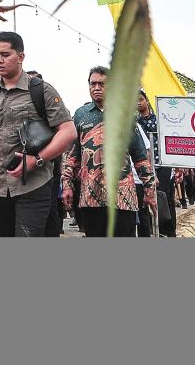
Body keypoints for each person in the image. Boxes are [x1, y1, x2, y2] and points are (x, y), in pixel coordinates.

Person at [0, 32, 76, 237]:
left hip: (33, 185)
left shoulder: (42, 90)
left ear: (21, 57)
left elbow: (68, 132)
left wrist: (37, 159)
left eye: (5, 54)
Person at [61, 66, 156, 237]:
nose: (96, 88)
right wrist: (67, 185)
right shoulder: (81, 115)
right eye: (93, 84)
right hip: (91, 197)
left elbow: (140, 157)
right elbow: (73, 154)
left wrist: (149, 190)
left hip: (122, 197)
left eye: (101, 84)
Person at [137, 90, 175, 237]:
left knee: (163, 199)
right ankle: (151, 232)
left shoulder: (159, 120)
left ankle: (168, 233)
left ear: (147, 100)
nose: (138, 103)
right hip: (145, 167)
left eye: (141, 99)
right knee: (146, 202)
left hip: (162, 164)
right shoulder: (136, 124)